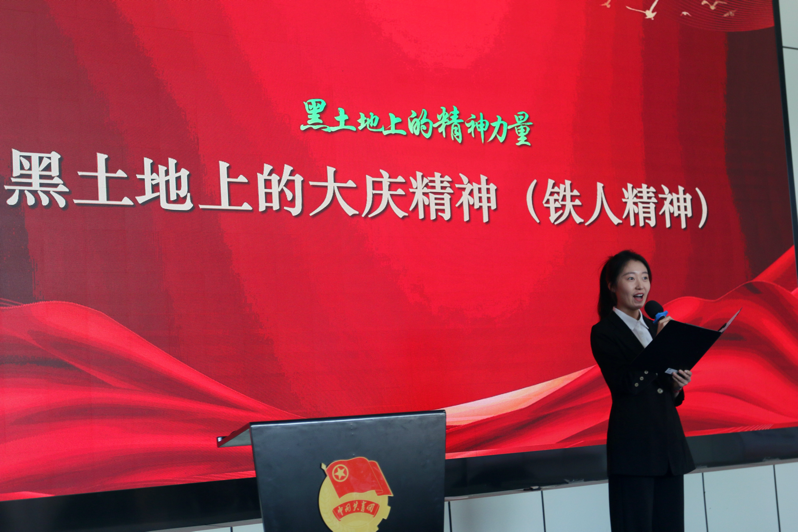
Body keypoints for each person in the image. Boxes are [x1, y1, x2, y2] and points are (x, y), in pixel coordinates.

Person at [591, 250, 695, 532]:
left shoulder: (653, 327)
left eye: (645, 278)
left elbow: (663, 390)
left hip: (668, 450)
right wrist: (659, 348)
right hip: (634, 452)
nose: (640, 285)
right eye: (630, 278)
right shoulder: (604, 332)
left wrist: (676, 386)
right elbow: (626, 384)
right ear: (612, 285)